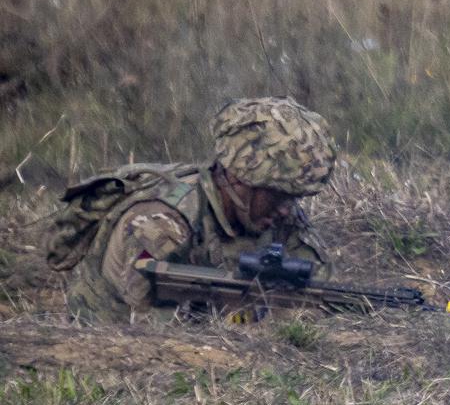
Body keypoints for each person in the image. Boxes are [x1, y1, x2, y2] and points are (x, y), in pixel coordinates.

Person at [47, 97, 336, 320]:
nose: (287, 210)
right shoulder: (159, 225)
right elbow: (150, 336)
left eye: (294, 198)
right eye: (277, 196)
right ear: (238, 179)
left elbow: (317, 298)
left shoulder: (272, 213)